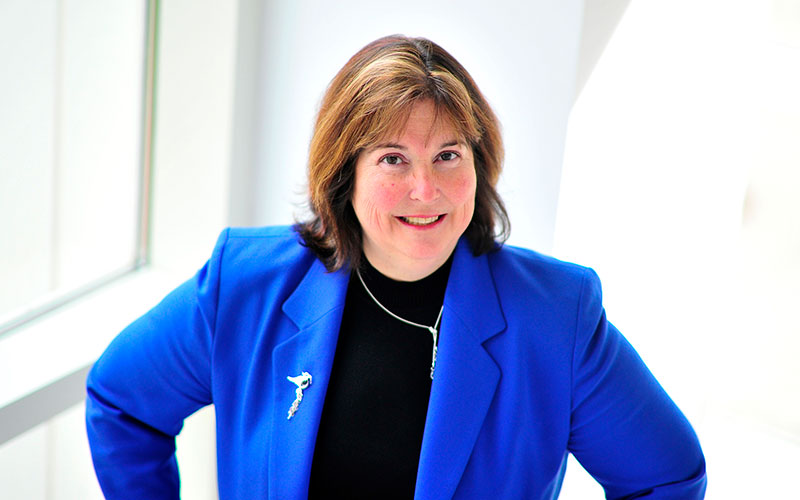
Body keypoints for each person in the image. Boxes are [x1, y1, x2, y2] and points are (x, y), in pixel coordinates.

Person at [86, 35, 706, 499]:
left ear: (478, 164)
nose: (426, 189)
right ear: (343, 173)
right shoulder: (245, 282)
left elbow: (669, 477)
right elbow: (122, 403)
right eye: (392, 159)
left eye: (447, 155)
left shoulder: (555, 315)